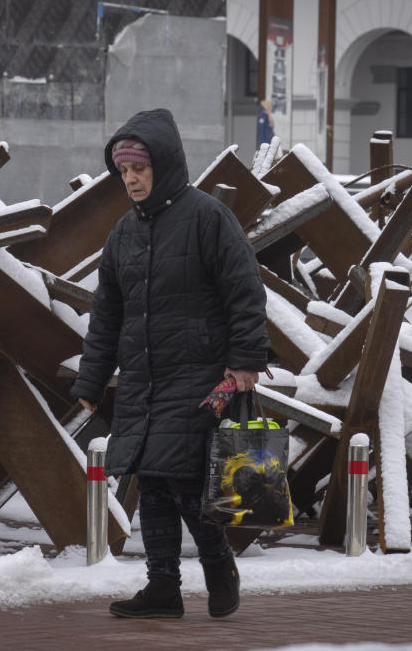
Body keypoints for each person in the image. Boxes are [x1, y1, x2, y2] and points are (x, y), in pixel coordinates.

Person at [70, 108, 270, 619]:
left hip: (200, 375)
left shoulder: (207, 217)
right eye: (123, 172)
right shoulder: (122, 235)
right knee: (152, 479)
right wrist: (91, 379)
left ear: (164, 164)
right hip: (144, 380)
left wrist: (245, 360)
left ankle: (218, 562)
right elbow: (106, 314)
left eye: (139, 168)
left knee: (183, 481)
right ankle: (163, 587)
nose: (131, 180)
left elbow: (244, 290)